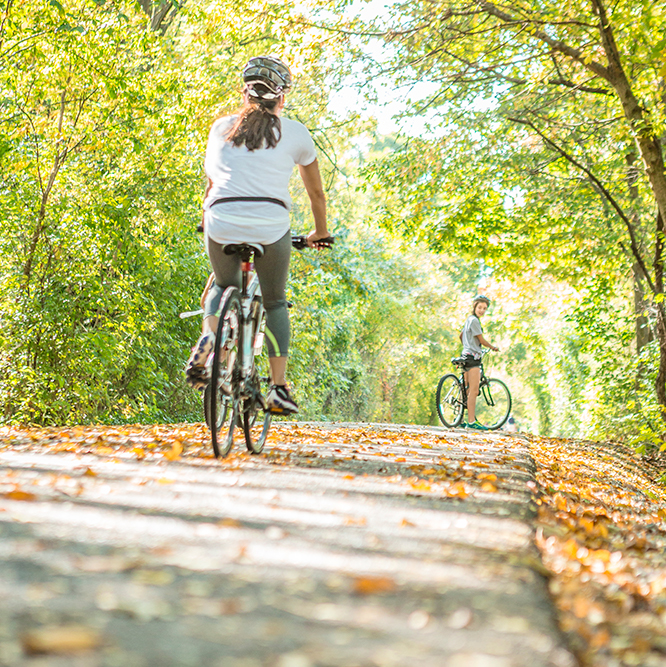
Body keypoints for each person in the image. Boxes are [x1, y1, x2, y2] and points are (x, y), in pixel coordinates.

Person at [185, 55, 330, 415]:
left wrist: (208, 221)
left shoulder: (220, 128)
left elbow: (213, 182)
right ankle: (278, 388)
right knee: (275, 301)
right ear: (281, 99)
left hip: (221, 217)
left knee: (221, 284)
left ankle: (209, 338)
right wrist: (320, 231)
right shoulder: (295, 132)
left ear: (244, 93)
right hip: (270, 224)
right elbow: (316, 195)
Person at [459, 295, 499, 430]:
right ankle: (471, 422)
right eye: (480, 307)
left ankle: (460, 419)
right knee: (474, 391)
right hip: (473, 359)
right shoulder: (475, 320)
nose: (482, 310)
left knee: (466, 389)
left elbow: (461, 335)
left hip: (465, 355)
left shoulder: (468, 320)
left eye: (484, 308)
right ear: (474, 306)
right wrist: (493, 347)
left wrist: (467, 346)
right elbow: (481, 340)